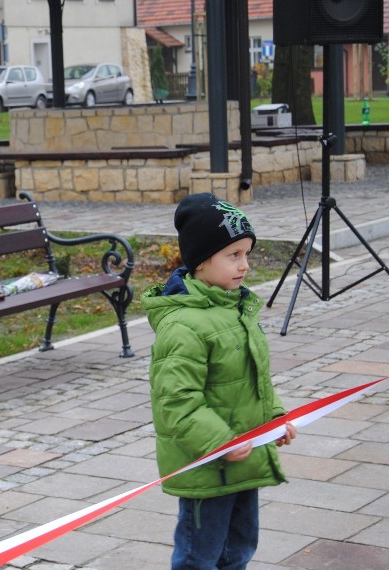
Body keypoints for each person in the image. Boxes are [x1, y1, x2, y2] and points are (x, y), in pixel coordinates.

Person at [141, 193, 297, 570]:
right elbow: (177, 402)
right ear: (201, 260)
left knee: (238, 551)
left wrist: (274, 418)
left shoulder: (236, 308)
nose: (245, 265)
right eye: (234, 256)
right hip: (207, 465)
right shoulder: (183, 326)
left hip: (243, 460)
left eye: (247, 254)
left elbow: (253, 380)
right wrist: (219, 442)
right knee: (199, 557)